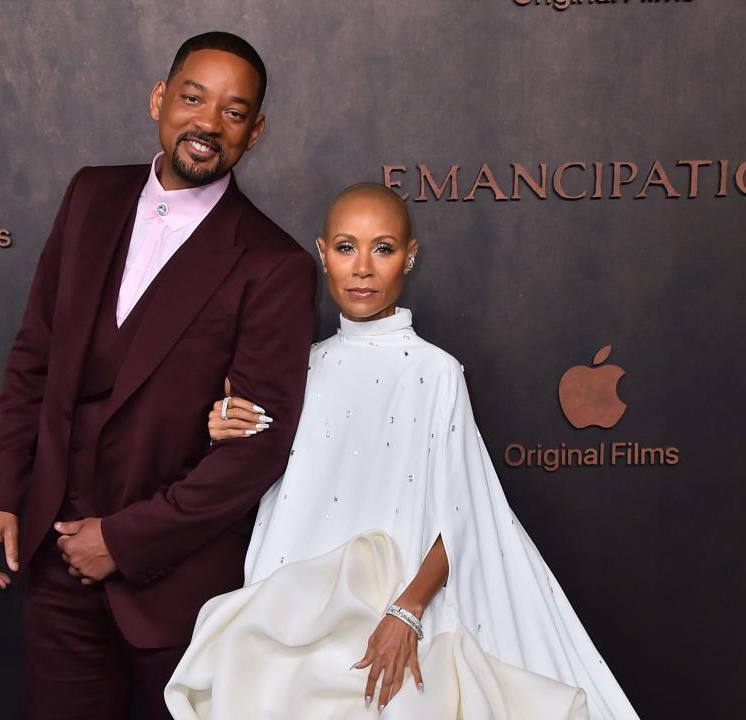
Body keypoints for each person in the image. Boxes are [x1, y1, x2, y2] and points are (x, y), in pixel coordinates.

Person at [165, 184, 639, 719]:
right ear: (322, 254)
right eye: (346, 248)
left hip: (395, 617)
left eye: (383, 248)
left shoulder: (436, 372)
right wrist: (223, 423)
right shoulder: (298, 368)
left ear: (410, 256)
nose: (363, 268)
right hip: (288, 617)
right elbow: (255, 450)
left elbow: (468, 516)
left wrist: (407, 612)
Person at [0, 32, 316, 720]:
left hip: (179, 588)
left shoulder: (276, 265)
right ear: (161, 98)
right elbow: (34, 354)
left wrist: (123, 542)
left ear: (256, 131)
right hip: (55, 561)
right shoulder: (90, 195)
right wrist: (0, 491)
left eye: (234, 112)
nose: (208, 124)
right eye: (194, 98)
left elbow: (256, 450)